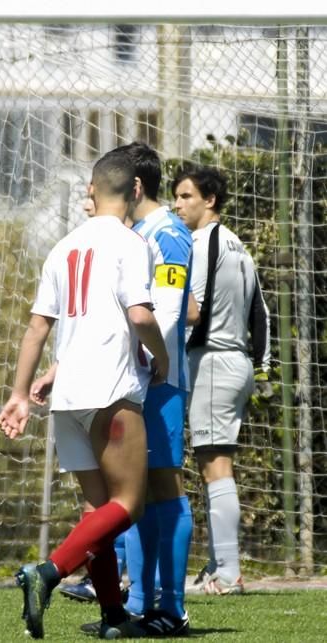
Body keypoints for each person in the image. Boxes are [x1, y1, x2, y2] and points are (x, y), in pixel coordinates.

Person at [0, 147, 169, 639]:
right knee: (130, 504)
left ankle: (114, 618)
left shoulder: (62, 247)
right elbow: (140, 316)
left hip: (67, 396)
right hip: (111, 390)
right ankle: (48, 573)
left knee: (98, 512)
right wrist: (163, 357)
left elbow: (36, 329)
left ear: (91, 190)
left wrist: (18, 394)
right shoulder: (133, 243)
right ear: (137, 190)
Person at [173, 165, 271, 595]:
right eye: (176, 197)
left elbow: (192, 311)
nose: (178, 205)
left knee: (215, 466)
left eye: (186, 196)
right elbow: (261, 313)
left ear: (209, 200)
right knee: (213, 462)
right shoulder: (238, 245)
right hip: (234, 362)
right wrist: (261, 366)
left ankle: (227, 572)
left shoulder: (199, 242)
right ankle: (218, 567)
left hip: (212, 360)